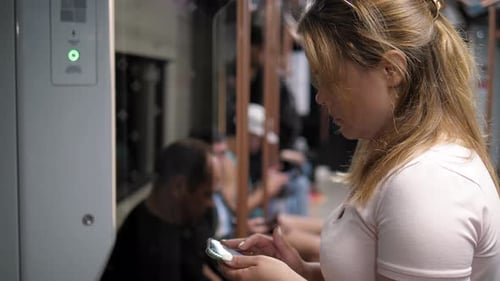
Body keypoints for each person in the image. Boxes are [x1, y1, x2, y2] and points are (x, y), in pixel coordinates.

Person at [219, 0, 500, 280]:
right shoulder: (409, 164)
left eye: (332, 80)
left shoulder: (429, 182)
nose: (321, 97)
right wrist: (303, 271)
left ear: (391, 70)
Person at [100, 139, 217, 281]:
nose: (211, 203)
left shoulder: (187, 218)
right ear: (178, 187)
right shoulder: (145, 251)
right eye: (207, 194)